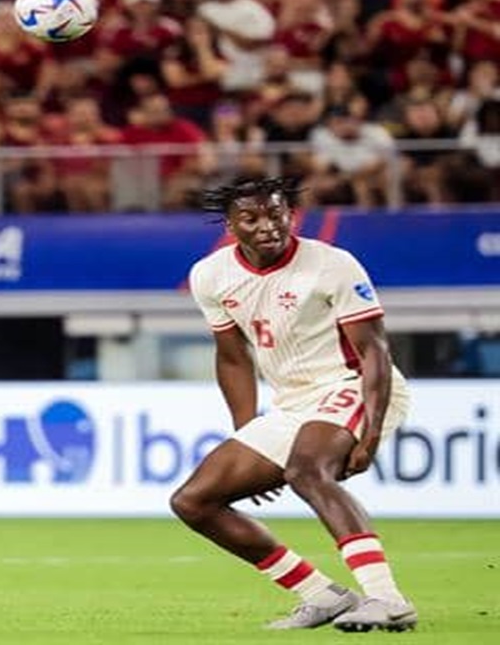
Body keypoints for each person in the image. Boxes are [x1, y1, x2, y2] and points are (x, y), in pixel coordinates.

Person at [170, 176, 417, 633]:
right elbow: (232, 357)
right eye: (251, 217)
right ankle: (322, 595)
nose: (267, 225)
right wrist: (248, 432)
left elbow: (375, 351)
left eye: (276, 214)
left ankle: (387, 599)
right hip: (294, 402)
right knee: (193, 501)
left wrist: (373, 434)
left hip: (352, 383)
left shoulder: (332, 264)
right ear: (230, 224)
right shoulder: (211, 275)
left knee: (306, 470)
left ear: (290, 215)